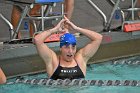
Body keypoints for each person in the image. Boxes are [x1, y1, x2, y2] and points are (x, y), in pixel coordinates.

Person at [34, 16, 102, 80]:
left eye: (73, 47)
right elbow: (37, 40)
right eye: (66, 47)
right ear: (60, 48)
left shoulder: (80, 60)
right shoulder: (53, 61)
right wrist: (54, 30)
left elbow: (98, 38)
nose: (70, 51)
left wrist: (77, 28)